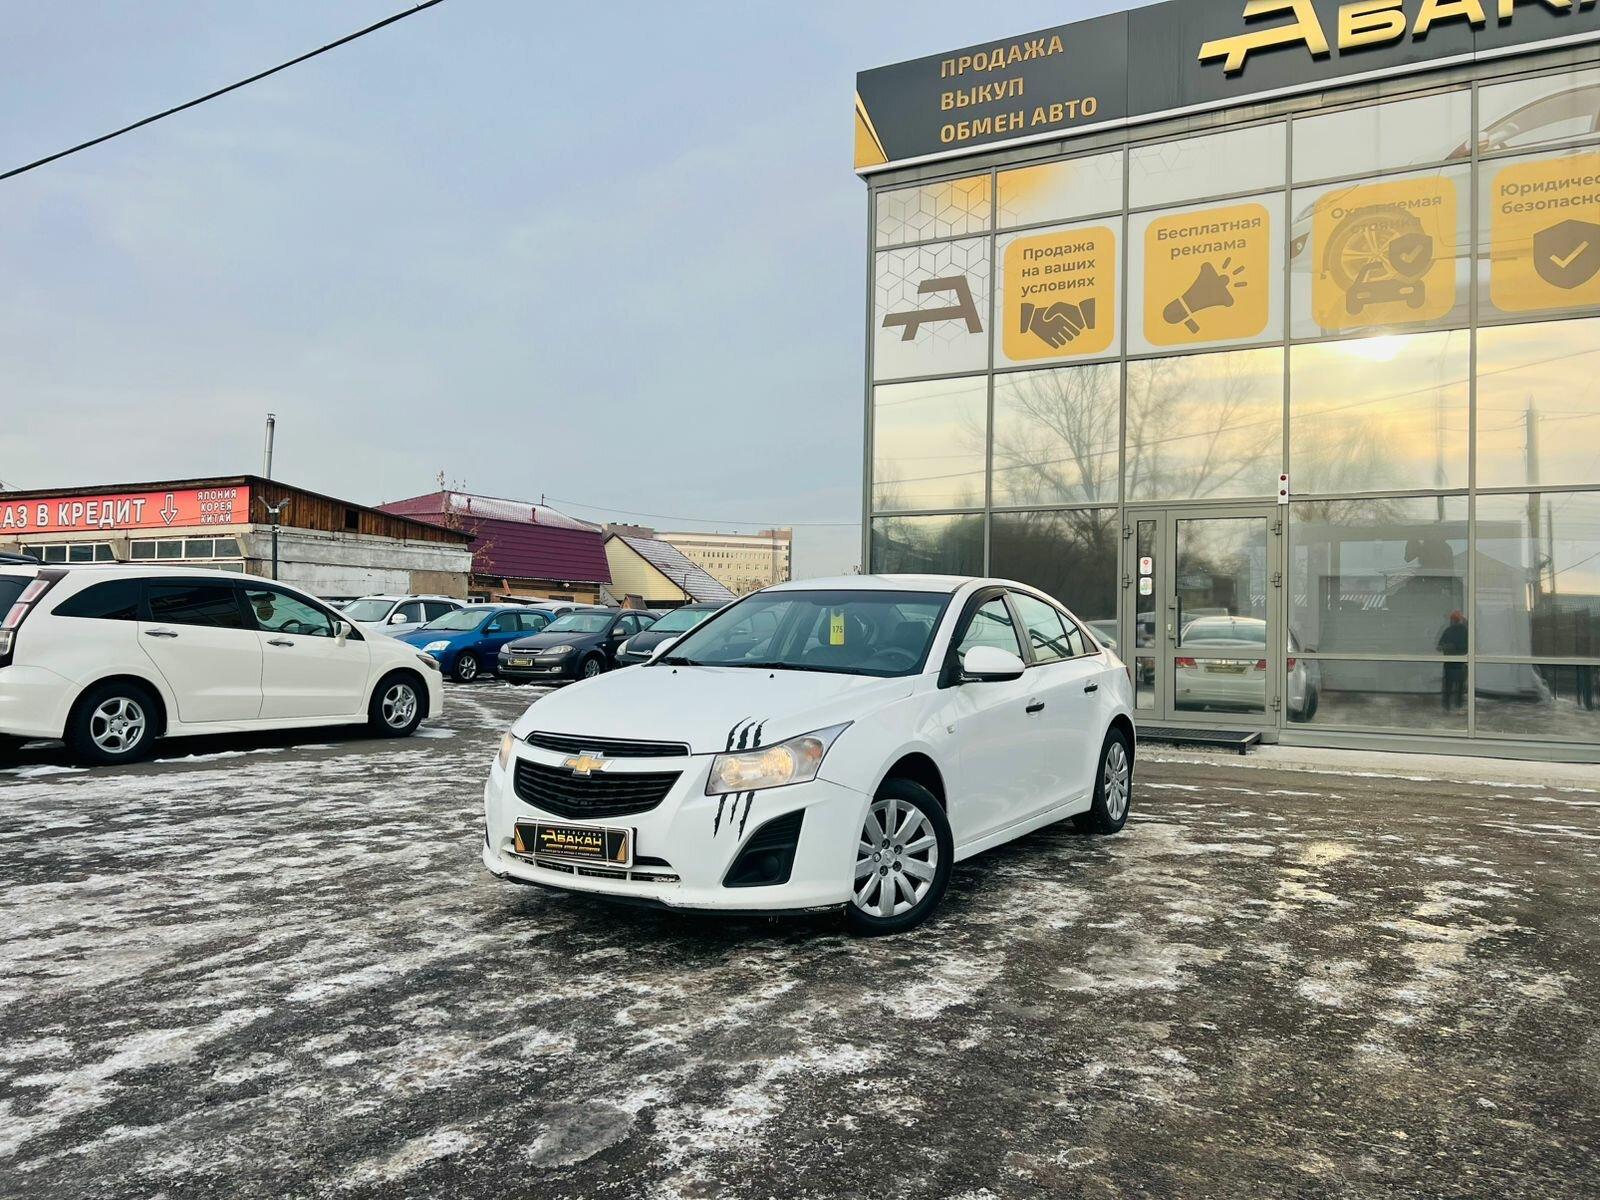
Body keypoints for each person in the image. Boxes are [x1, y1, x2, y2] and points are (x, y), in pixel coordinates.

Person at [1438, 610, 1467, 711]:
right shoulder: (1464, 631)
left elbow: (1439, 646)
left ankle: (1448, 707)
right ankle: (1456, 706)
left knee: (1449, 687)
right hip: (1458, 664)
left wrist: (1447, 647)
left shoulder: (1450, 631)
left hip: (1452, 664)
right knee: (1458, 687)